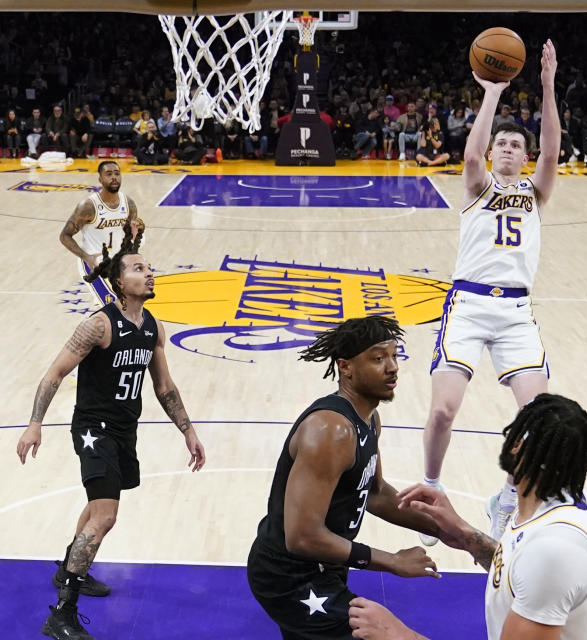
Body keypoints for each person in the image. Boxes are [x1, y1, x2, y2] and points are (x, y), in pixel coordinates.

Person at [16, 226, 206, 640]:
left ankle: (70, 568)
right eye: (139, 268)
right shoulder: (99, 325)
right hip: (93, 430)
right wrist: (35, 422)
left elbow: (164, 387)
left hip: (124, 430)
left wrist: (188, 431)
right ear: (120, 281)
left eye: (150, 268)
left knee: (96, 509)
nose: (150, 274)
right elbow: (55, 373)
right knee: (106, 515)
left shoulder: (152, 326)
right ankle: (62, 612)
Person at [420, 39, 559, 545]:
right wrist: (493, 94)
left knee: (537, 417)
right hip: (469, 303)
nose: (507, 149)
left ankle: (505, 494)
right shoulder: (478, 186)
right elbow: (472, 150)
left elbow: (552, 147)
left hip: (517, 312)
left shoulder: (535, 192)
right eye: (502, 143)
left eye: (515, 145)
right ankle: (431, 490)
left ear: (524, 156)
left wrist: (545, 85)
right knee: (442, 410)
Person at [348, 393, 587, 640]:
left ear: (519, 448)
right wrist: (465, 535)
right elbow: (516, 568)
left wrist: (402, 635)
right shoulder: (555, 500)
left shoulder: (555, 550)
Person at [247, 316, 442, 640]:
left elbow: (376, 493)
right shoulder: (331, 430)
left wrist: (447, 530)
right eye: (378, 358)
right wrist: (392, 561)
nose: (392, 367)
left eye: (395, 355)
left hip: (324, 565)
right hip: (289, 575)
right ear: (346, 367)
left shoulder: (369, 419)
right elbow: (302, 537)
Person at [60, 161, 141, 283]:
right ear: (100, 179)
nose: (114, 177)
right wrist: (86, 257)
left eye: (117, 174)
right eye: (108, 174)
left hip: (118, 266)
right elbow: (64, 236)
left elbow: (131, 236)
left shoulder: (129, 204)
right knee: (105, 302)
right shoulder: (88, 206)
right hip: (94, 265)